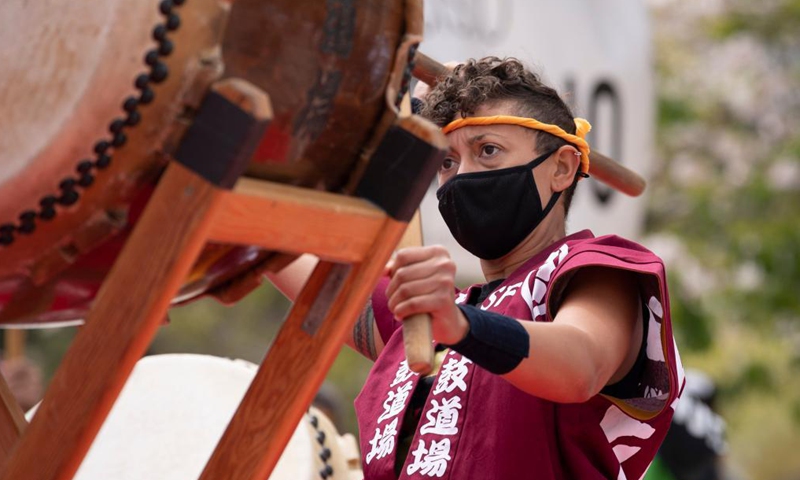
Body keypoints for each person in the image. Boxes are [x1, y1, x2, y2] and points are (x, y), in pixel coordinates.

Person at [268, 56, 683, 479]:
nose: (462, 175)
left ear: (561, 167)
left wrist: (458, 325)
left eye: (488, 150)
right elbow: (270, 244)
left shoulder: (596, 269)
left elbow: (582, 364)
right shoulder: (425, 321)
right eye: (447, 162)